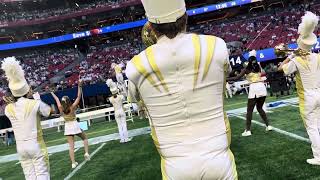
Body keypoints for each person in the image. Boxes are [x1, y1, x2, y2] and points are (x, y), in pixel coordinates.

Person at [125, 0, 238, 179]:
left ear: (152, 28)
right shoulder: (216, 46)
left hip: (175, 166)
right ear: (185, 18)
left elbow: (135, 100)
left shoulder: (135, 66)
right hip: (219, 156)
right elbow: (225, 74)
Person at [278, 11, 320, 165]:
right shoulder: (317, 57)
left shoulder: (295, 61)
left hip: (307, 97)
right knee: (318, 125)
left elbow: (279, 68)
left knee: (312, 128)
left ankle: (318, 157)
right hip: (319, 93)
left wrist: (290, 56)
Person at [2, 57, 52, 180]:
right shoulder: (34, 103)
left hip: (21, 147)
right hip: (36, 145)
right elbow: (49, 112)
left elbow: (15, 103)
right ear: (26, 89)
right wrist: (36, 98)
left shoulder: (8, 108)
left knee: (29, 177)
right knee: (42, 174)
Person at [227, 50, 272, 137]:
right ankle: (268, 125)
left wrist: (226, 79)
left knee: (249, 111)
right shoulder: (258, 68)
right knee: (260, 108)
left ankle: (248, 130)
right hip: (262, 87)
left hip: (254, 87)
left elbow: (237, 78)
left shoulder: (246, 69)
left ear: (249, 61)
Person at [50, 80, 90, 169]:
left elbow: (56, 99)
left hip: (67, 126)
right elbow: (78, 96)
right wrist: (79, 86)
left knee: (71, 146)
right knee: (84, 138)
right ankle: (86, 153)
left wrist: (51, 92)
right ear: (68, 101)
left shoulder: (60, 108)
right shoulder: (72, 107)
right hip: (75, 124)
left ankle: (73, 163)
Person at [107, 79, 131, 143]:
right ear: (116, 90)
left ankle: (122, 139)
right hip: (121, 110)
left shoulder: (110, 99)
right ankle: (126, 138)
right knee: (124, 125)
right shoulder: (120, 96)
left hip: (116, 112)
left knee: (119, 126)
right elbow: (123, 97)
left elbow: (111, 99)